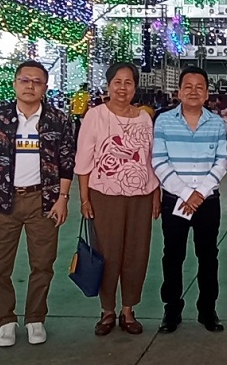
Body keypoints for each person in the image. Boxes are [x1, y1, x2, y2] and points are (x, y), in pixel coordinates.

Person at [0, 60, 75, 347]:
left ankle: (35, 318)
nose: (30, 86)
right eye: (25, 80)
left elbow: (67, 161)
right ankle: (4, 320)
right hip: (3, 201)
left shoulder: (58, 119)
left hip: (43, 201)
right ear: (15, 83)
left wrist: (62, 199)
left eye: (37, 82)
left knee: (43, 264)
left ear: (45, 87)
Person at [75, 62, 161, 336]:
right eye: (118, 82)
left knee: (137, 253)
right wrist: (84, 198)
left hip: (141, 196)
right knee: (108, 253)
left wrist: (155, 194)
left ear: (135, 87)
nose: (123, 88)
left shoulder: (145, 118)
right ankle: (107, 310)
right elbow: (84, 160)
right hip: (105, 196)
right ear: (109, 85)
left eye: (128, 83)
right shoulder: (95, 116)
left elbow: (151, 159)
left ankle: (128, 310)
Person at [153, 66, 227, 334]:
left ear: (207, 93)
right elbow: (159, 161)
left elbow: (222, 162)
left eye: (199, 87)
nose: (193, 91)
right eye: (188, 86)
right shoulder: (163, 121)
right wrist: (186, 194)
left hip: (207, 201)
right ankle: (172, 310)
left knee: (208, 256)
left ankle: (208, 310)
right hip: (175, 200)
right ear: (179, 91)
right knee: (173, 256)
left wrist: (200, 193)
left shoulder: (217, 123)